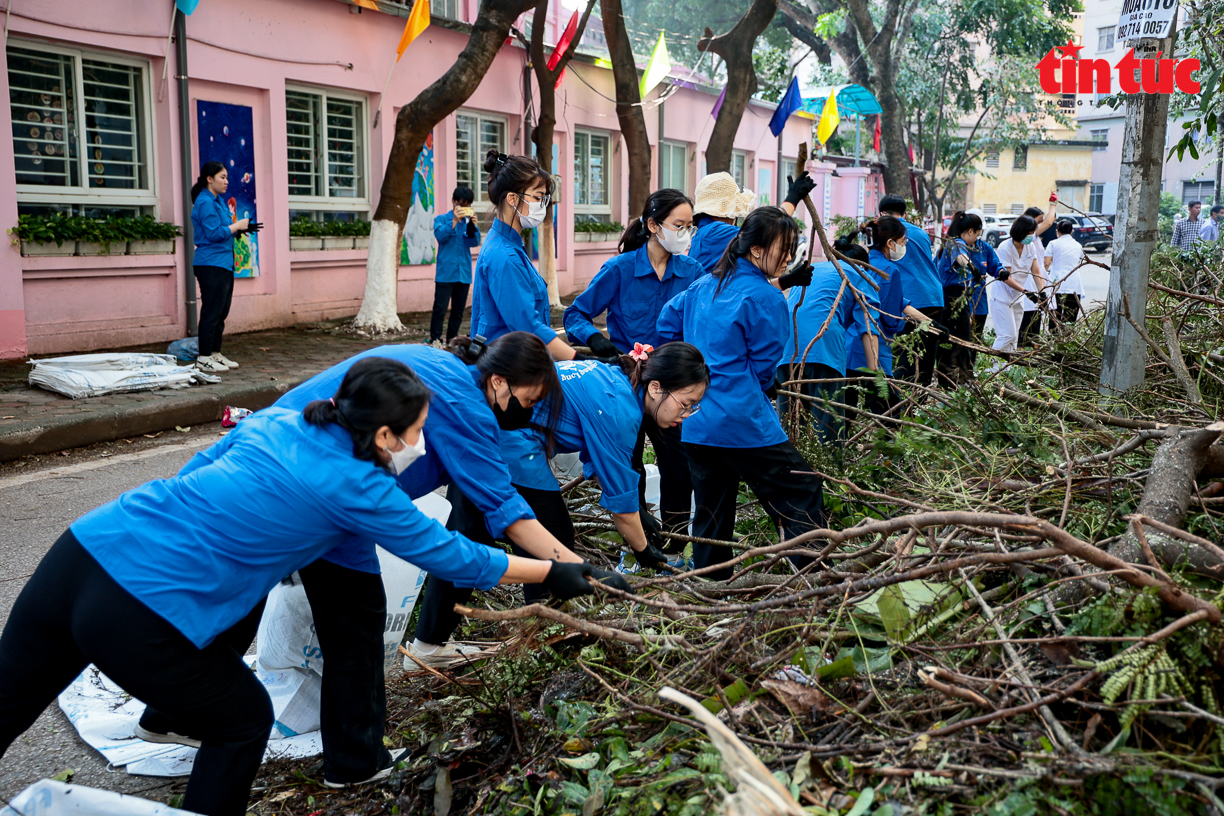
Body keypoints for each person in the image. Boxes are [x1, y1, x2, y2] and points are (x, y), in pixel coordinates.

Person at [0, 357, 627, 816]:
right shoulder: (362, 488)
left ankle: (173, 714)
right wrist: (557, 571)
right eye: (417, 432)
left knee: (8, 700)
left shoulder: (280, 423)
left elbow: (198, 472)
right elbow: (455, 556)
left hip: (83, 551)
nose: (419, 443)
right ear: (385, 435)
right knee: (243, 722)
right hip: (141, 608)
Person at [417, 342, 708, 652]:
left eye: (695, 406)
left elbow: (610, 468)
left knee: (468, 537)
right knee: (553, 540)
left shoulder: (611, 377)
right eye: (686, 403)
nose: (687, 414)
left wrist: (637, 511)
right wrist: (644, 550)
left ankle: (428, 646)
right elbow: (621, 509)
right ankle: (547, 646)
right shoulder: (619, 407)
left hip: (485, 436)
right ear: (655, 387)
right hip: (508, 442)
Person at [657, 207, 828, 581]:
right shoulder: (765, 298)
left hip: (698, 422)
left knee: (711, 513)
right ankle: (813, 576)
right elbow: (766, 367)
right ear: (755, 250)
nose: (788, 258)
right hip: (742, 421)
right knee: (801, 487)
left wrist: (691, 373)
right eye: (783, 249)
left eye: (792, 249)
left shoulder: (703, 285)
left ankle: (708, 586)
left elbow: (666, 324)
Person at [562, 189, 704, 538]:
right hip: (626, 384)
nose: (685, 234)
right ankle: (637, 540)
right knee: (628, 465)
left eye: (690, 226)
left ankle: (672, 541)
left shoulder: (693, 272)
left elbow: (705, 317)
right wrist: (597, 340)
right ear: (654, 225)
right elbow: (575, 314)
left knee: (679, 465)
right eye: (678, 225)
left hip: (669, 387)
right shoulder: (620, 269)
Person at [470, 151, 576, 359]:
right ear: (512, 198)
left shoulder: (509, 243)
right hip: (511, 368)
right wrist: (576, 359)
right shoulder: (504, 256)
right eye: (537, 197)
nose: (541, 205)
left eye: (544, 198)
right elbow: (528, 326)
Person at [776, 240, 872, 446]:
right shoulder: (859, 273)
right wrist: (875, 376)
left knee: (789, 427)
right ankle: (830, 475)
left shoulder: (812, 269)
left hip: (786, 348)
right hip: (824, 349)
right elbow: (868, 327)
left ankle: (788, 472)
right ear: (863, 265)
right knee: (828, 429)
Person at [845, 217, 938, 379]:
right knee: (886, 400)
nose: (903, 246)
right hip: (874, 348)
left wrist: (928, 322)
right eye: (902, 242)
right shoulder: (889, 269)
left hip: (851, 344)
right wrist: (907, 323)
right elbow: (890, 318)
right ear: (890, 243)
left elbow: (895, 300)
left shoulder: (866, 262)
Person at [190, 161, 260, 374]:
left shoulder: (217, 201)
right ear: (209, 179)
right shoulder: (204, 202)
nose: (226, 181)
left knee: (221, 311)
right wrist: (236, 226)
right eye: (222, 177)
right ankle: (203, 358)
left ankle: (214, 353)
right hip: (210, 263)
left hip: (223, 263)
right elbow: (213, 234)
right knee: (211, 311)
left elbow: (222, 229)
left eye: (227, 177)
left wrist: (241, 229)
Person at [689, 171, 816, 276]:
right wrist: (793, 198)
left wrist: (785, 282)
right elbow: (768, 228)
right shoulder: (717, 232)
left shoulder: (702, 234)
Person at [878, 195, 945, 385]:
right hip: (934, 297)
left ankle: (905, 404)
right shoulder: (921, 233)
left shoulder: (884, 233)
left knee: (905, 359)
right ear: (905, 214)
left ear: (881, 213)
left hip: (910, 303)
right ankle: (919, 403)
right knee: (926, 360)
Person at [935, 211, 1010, 379]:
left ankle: (963, 376)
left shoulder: (982, 247)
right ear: (970, 231)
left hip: (965, 298)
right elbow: (961, 257)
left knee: (965, 340)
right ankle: (951, 378)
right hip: (950, 299)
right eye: (977, 234)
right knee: (954, 340)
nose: (977, 238)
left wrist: (1001, 272)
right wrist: (972, 268)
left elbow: (995, 265)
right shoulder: (955, 243)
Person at [430, 186, 482, 344]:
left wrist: (472, 225)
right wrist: (454, 221)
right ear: (453, 201)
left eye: (467, 205)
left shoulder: (467, 222)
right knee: (440, 308)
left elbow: (474, 242)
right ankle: (435, 339)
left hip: (463, 273)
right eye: (460, 204)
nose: (463, 208)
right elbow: (440, 236)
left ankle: (452, 339)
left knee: (458, 311)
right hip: (445, 273)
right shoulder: (441, 219)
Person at [991, 215, 1048, 356]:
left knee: (1014, 337)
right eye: (1030, 233)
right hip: (1002, 297)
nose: (1032, 236)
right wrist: (1027, 292)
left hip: (1018, 298)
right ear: (1021, 232)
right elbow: (1006, 277)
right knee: (1007, 335)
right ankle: (991, 367)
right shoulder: (1005, 247)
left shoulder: (1031, 247)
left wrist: (1042, 294)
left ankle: (1006, 369)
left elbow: (1036, 271)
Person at [1043, 219, 1085, 326]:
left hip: (1056, 283)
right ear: (1072, 231)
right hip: (1074, 283)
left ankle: (1054, 338)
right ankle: (1068, 338)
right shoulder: (1078, 245)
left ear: (1057, 231)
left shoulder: (1053, 244)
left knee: (1054, 316)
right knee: (1071, 316)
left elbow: (1046, 264)